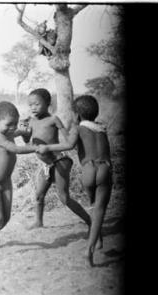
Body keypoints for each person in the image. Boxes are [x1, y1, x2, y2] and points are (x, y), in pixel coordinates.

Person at [38, 95, 112, 267]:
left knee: (94, 207)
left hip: (88, 170)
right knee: (100, 210)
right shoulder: (102, 128)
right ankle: (90, 249)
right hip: (104, 169)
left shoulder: (78, 128)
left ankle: (98, 238)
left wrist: (47, 147)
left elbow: (69, 145)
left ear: (77, 115)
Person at [19, 88, 92, 231]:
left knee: (64, 197)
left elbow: (67, 142)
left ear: (47, 103)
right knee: (39, 196)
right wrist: (23, 132)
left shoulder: (53, 119)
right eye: (30, 105)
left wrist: (49, 148)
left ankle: (90, 221)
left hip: (60, 161)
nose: (33, 108)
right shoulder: (31, 121)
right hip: (46, 164)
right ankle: (38, 222)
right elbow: (28, 142)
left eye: (37, 104)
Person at [0, 101, 42, 255]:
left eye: (15, 124)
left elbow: (19, 133)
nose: (12, 128)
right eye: (9, 124)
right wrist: (35, 148)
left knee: (6, 218)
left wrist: (24, 131)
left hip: (6, 182)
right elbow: (15, 148)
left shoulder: (8, 133)